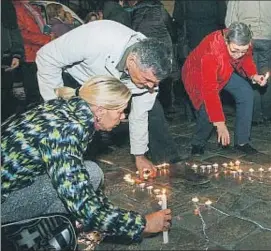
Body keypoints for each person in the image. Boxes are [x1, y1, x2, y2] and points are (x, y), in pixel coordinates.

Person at [1, 76, 172, 250]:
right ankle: (35, 236)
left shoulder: (67, 108)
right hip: (4, 201)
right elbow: (82, 204)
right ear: (100, 110)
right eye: (120, 111)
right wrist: (142, 224)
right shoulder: (66, 131)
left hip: (14, 185)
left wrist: (108, 212)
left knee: (90, 172)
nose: (122, 117)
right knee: (89, 178)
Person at [36, 20, 180, 179]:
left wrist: (139, 156)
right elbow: (46, 57)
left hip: (108, 87)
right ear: (132, 61)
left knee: (153, 111)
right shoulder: (98, 37)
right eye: (147, 80)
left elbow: (139, 115)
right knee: (75, 129)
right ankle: (68, 172)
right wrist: (56, 108)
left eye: (155, 83)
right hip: (74, 78)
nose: (151, 87)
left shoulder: (150, 76)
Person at [182, 22, 267, 156]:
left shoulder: (243, 42)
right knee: (207, 107)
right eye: (234, 51)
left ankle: (242, 142)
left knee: (245, 92)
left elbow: (247, 58)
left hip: (223, 69)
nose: (238, 55)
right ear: (227, 40)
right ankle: (198, 143)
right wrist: (220, 124)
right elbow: (210, 90)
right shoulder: (212, 50)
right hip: (197, 73)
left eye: (242, 51)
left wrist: (254, 75)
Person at [225, 1, 271, 125]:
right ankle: (267, 113)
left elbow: (230, 20)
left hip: (246, 38)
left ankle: (255, 115)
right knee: (265, 73)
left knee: (251, 75)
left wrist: (236, 39)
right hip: (267, 38)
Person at [127, 0, 178, 117]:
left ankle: (150, 108)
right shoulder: (160, 10)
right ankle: (167, 108)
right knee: (164, 79)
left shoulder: (136, 12)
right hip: (163, 48)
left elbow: (133, 30)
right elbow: (171, 29)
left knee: (146, 79)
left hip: (145, 51)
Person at [13, 0, 52, 108]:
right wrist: (46, 39)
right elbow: (21, 34)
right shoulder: (16, 7)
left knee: (41, 90)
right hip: (29, 55)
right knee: (33, 93)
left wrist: (48, 33)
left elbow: (38, 28)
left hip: (40, 52)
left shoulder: (32, 7)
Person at [1, 0, 24, 121]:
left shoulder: (5, 5)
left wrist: (16, 54)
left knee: (4, 98)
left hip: (4, 62)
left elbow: (13, 29)